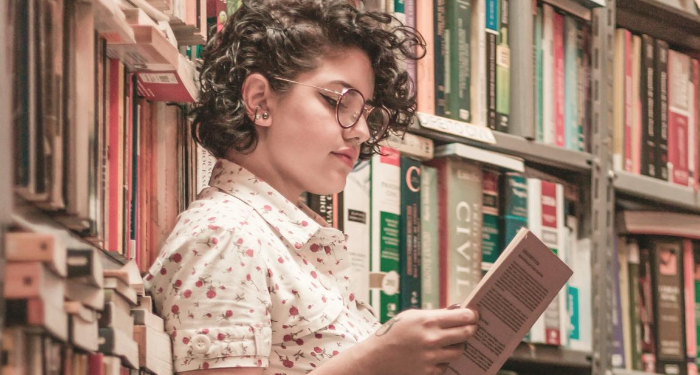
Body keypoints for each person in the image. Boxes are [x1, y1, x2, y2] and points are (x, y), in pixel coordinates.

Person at [143, 1, 480, 374]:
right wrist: (376, 360)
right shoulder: (224, 235)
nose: (361, 131)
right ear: (260, 100)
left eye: (367, 113)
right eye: (340, 101)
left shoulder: (295, 246)